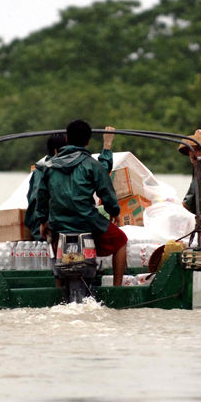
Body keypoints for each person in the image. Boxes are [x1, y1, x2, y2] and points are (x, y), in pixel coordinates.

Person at [34, 120, 128, 286]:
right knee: (121, 241)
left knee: (56, 248)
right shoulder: (93, 165)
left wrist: (43, 221)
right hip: (88, 222)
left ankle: (59, 292)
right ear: (88, 141)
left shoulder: (48, 167)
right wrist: (114, 212)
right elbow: (107, 193)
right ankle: (117, 287)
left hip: (59, 223)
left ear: (67, 139)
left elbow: (41, 196)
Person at [25, 128, 116, 239]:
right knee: (119, 239)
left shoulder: (47, 168)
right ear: (56, 152)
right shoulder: (53, 168)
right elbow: (101, 173)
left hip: (55, 226)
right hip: (55, 228)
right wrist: (107, 146)